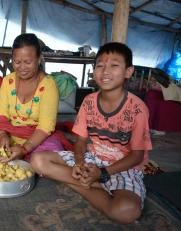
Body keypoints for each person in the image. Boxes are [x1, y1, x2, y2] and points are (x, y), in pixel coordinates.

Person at [30, 42, 152, 224]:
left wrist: (103, 174)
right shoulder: (88, 102)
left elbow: (136, 155)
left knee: (127, 211)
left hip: (121, 167)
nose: (105, 71)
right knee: (37, 160)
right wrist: (79, 163)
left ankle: (81, 184)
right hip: (92, 159)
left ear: (128, 71)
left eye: (114, 65)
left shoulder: (137, 109)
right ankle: (91, 184)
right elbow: (80, 141)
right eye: (100, 66)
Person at [0, 33, 71, 161]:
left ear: (39, 59)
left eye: (28, 62)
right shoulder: (8, 81)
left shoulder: (49, 85)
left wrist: (25, 148)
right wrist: (2, 135)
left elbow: (45, 126)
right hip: (10, 132)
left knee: (55, 148)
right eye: (17, 62)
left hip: (36, 137)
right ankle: (9, 153)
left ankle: (3, 154)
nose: (22, 67)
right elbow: (1, 115)